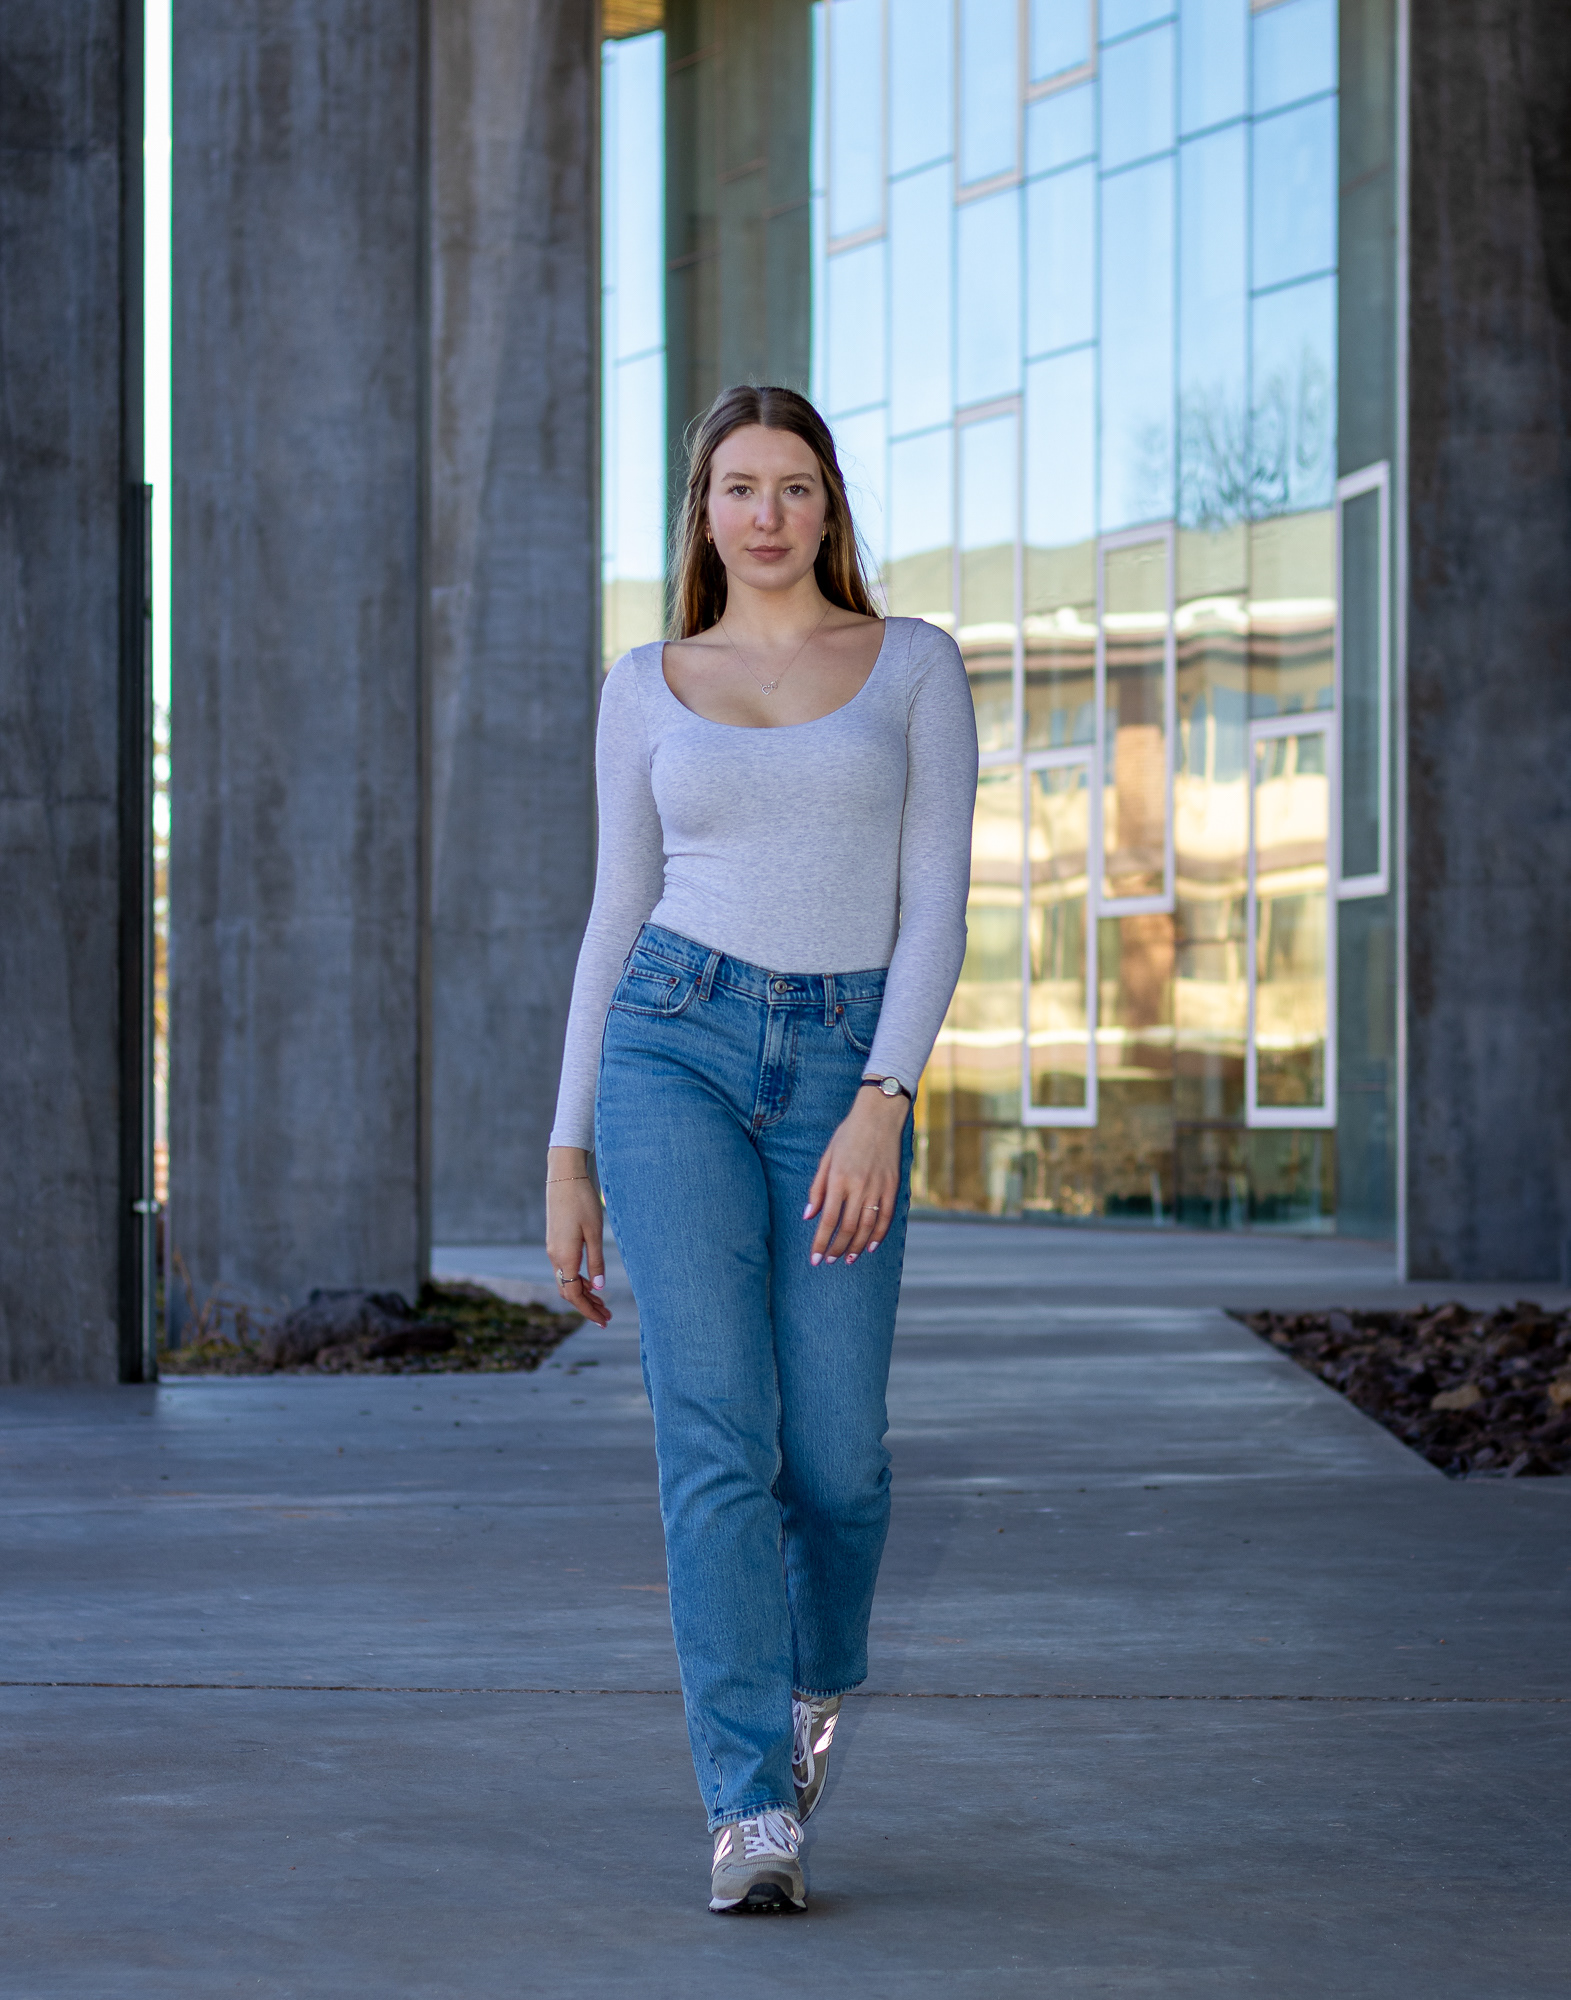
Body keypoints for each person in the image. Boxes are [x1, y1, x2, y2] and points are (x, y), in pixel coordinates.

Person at [546, 384, 977, 1913]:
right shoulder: (646, 680)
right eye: (741, 486)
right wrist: (568, 1150)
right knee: (713, 1435)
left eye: (797, 486)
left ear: (830, 508)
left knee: (841, 1462)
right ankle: (748, 1811)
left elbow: (936, 905)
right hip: (673, 1043)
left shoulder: (912, 665)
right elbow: (613, 914)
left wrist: (885, 1094)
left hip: (842, 1069)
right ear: (705, 511)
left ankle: (815, 1688)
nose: (770, 513)